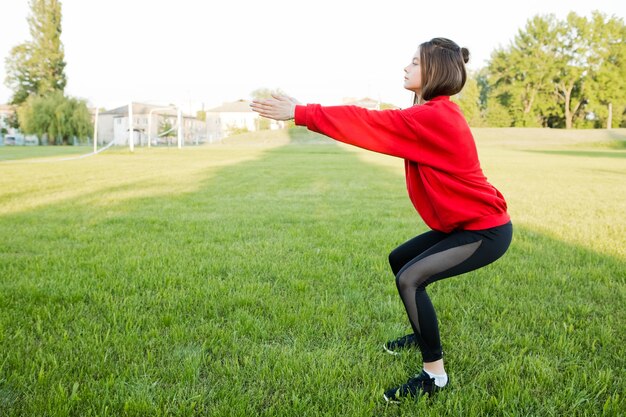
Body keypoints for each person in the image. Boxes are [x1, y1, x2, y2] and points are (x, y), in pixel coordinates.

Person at [250, 37, 512, 403]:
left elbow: (367, 122)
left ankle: (434, 375)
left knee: (410, 278)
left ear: (435, 70)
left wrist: (301, 112)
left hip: (485, 232)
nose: (406, 68)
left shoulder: (435, 116)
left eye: (415, 62)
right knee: (399, 260)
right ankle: (421, 333)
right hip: (466, 226)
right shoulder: (432, 112)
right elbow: (372, 120)